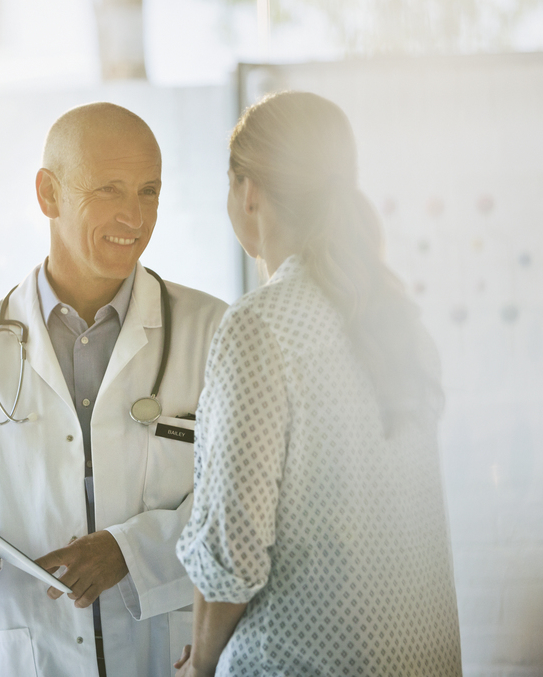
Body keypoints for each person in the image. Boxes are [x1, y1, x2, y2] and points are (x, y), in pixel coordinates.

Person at [0, 102, 227, 677]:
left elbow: (245, 503)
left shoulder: (215, 333)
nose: (135, 216)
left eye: (149, 191)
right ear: (48, 194)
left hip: (170, 654)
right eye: (110, 189)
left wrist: (129, 552)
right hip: (35, 657)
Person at [174, 91, 463, 677]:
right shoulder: (397, 319)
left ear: (247, 191)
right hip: (422, 658)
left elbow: (234, 551)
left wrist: (199, 666)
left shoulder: (258, 327)